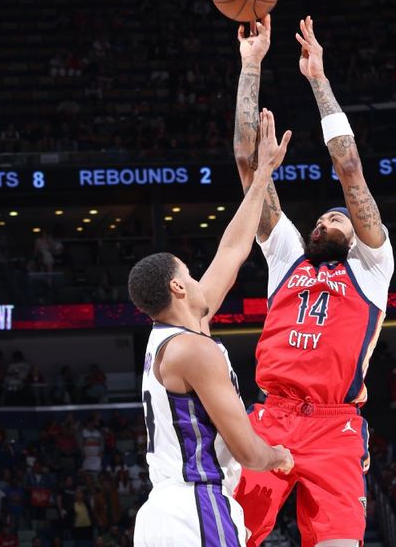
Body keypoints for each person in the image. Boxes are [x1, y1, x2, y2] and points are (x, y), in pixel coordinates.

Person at [231, 15, 394, 546]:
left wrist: (317, 79)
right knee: (229, 535)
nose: (328, 220)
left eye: (339, 218)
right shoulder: (288, 259)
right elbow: (245, 160)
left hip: (335, 425)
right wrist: (250, 65)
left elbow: (349, 167)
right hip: (270, 417)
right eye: (322, 218)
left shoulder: (372, 268)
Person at [129, 108, 294, 547]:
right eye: (190, 272)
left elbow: (233, 249)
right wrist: (279, 456)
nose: (201, 277)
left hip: (165, 511)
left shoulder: (182, 333)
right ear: (178, 286)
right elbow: (247, 452)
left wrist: (262, 177)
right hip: (195, 505)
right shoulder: (193, 351)